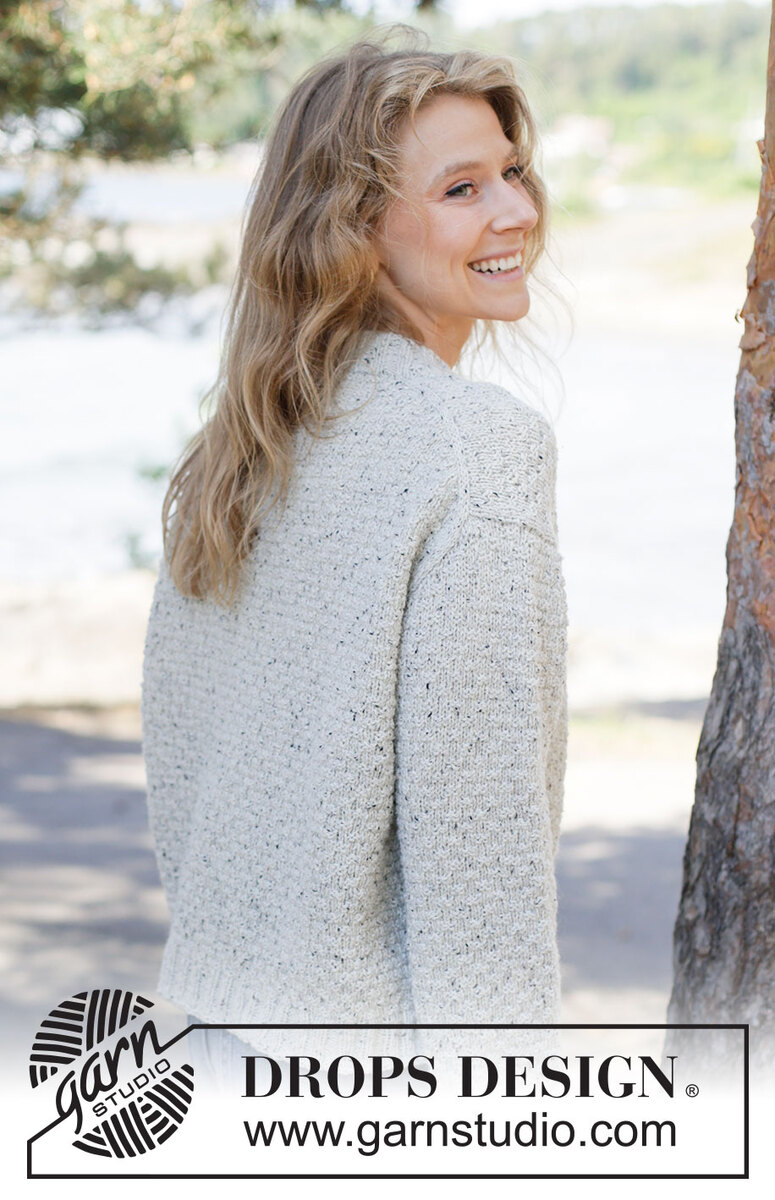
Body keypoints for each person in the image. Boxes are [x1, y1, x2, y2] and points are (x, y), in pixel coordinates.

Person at [141, 31, 568, 1079]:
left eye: (511, 171)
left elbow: (185, 775)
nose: (517, 210)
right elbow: (478, 848)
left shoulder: (241, 452)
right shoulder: (476, 449)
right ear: (354, 228)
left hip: (212, 1043)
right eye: (461, 188)